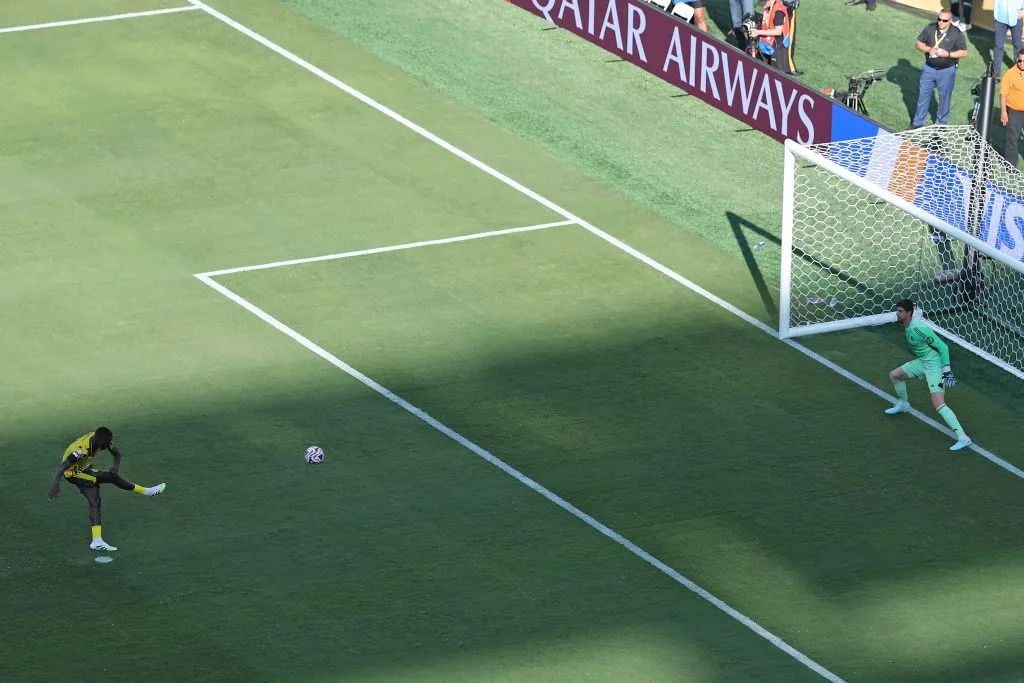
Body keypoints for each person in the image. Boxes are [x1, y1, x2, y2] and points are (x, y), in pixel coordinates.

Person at [48, 427, 166, 551]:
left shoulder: (101, 440)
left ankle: (147, 492)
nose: (108, 446)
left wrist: (115, 467)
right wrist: (56, 485)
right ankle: (97, 541)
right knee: (95, 500)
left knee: (112, 477)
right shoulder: (80, 450)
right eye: (106, 444)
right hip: (74, 474)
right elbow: (61, 468)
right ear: (98, 442)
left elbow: (117, 454)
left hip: (83, 468)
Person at [883, 299, 973, 452]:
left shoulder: (919, 329)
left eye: (900, 311)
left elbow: (943, 347)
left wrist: (946, 370)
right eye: (897, 310)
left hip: (934, 367)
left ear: (909, 313)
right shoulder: (908, 326)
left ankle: (963, 438)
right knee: (895, 375)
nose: (897, 314)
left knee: (938, 404)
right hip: (923, 362)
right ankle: (904, 404)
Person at [911, 11, 968, 128]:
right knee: (923, 96)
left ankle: (940, 126)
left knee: (944, 98)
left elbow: (963, 52)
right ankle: (917, 124)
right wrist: (928, 49)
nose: (941, 22)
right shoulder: (930, 28)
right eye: (939, 19)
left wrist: (948, 54)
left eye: (944, 21)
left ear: (950, 21)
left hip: (946, 71)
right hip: (929, 69)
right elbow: (918, 43)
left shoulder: (956, 34)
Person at [750, 0, 800, 75]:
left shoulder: (778, 11)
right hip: (768, 44)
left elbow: (778, 31)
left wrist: (758, 32)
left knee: (775, 75)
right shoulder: (770, 6)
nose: (762, 6)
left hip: (777, 47)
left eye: (764, 3)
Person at [1000, 50, 1024, 166]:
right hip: (1015, 111)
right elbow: (1003, 94)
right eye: (1020, 60)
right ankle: (1011, 165)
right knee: (1012, 139)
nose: (1022, 63)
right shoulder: (1010, 74)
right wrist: (1004, 112)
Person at [992, 0, 1024, 77]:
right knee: (998, 45)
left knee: (1017, 45)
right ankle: (996, 73)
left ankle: (1020, 72)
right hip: (1000, 17)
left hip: (1016, 17)